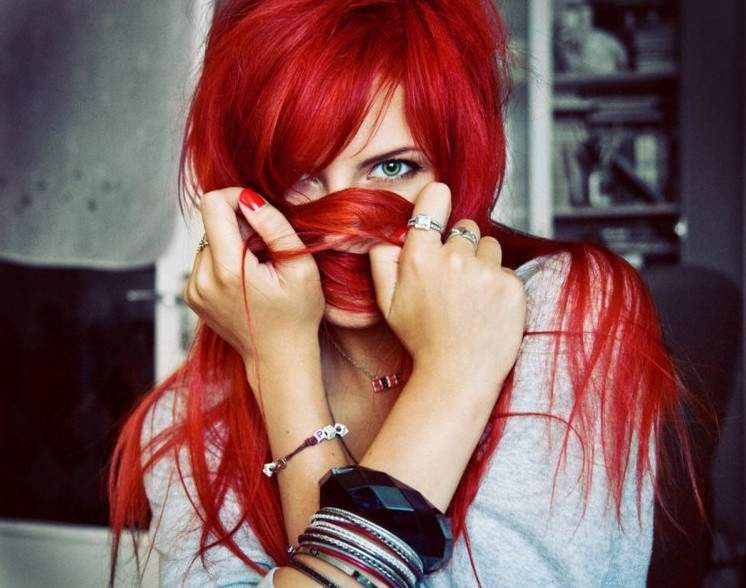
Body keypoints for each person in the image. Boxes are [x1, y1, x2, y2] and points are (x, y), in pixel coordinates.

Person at [108, 1, 701, 586]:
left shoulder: (563, 310)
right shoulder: (192, 414)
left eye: (392, 168)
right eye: (298, 176)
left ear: (454, 166)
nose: (343, 228)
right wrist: (286, 363)